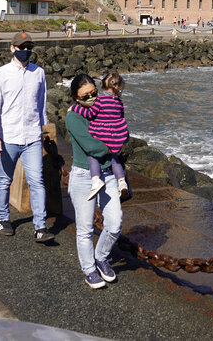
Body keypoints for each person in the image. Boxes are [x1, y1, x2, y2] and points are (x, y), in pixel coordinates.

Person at [0, 31, 53, 242]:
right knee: (4, 180)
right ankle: (3, 219)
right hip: (8, 136)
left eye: (28, 47)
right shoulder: (1, 74)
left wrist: (42, 130)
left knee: (37, 181)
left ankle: (40, 227)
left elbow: (41, 104)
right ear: (12, 48)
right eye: (21, 47)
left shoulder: (38, 73)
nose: (25, 51)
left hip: (32, 136)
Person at [66, 74, 123, 289]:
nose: (91, 97)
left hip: (107, 173)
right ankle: (89, 269)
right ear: (75, 98)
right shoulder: (73, 117)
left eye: (94, 93)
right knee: (85, 228)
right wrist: (112, 146)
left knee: (115, 223)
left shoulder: (103, 108)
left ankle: (101, 256)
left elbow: (120, 123)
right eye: (85, 96)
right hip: (82, 176)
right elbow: (91, 146)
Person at [80, 72, 130, 200]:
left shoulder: (100, 100)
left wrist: (75, 109)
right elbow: (121, 117)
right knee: (115, 159)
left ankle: (96, 180)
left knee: (93, 156)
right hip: (115, 136)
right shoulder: (119, 102)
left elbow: (90, 114)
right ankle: (122, 183)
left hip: (101, 135)